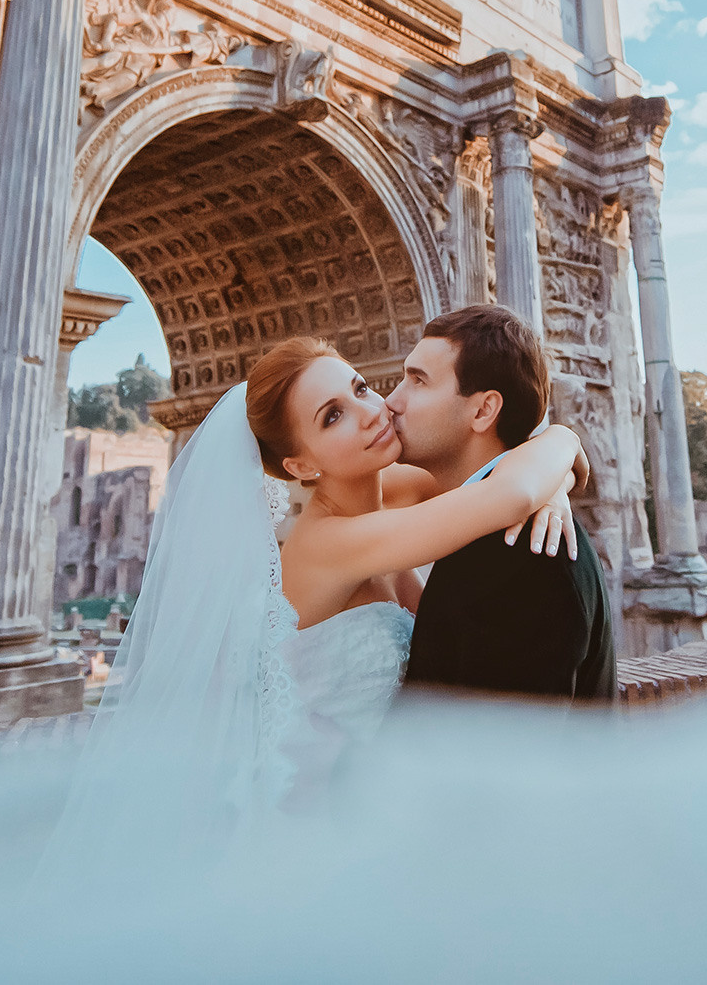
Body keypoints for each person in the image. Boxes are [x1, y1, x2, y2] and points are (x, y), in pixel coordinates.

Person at [48, 333, 583, 861]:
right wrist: (562, 440)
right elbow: (509, 492)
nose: (372, 411)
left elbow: (493, 469)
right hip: (321, 821)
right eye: (332, 416)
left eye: (360, 388)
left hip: (394, 805)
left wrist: (549, 475)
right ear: (301, 467)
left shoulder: (396, 489)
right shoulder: (328, 544)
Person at [388, 304, 616, 704]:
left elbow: (505, 756)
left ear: (483, 410)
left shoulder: (528, 555)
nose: (391, 401)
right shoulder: (491, 526)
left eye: (417, 381)